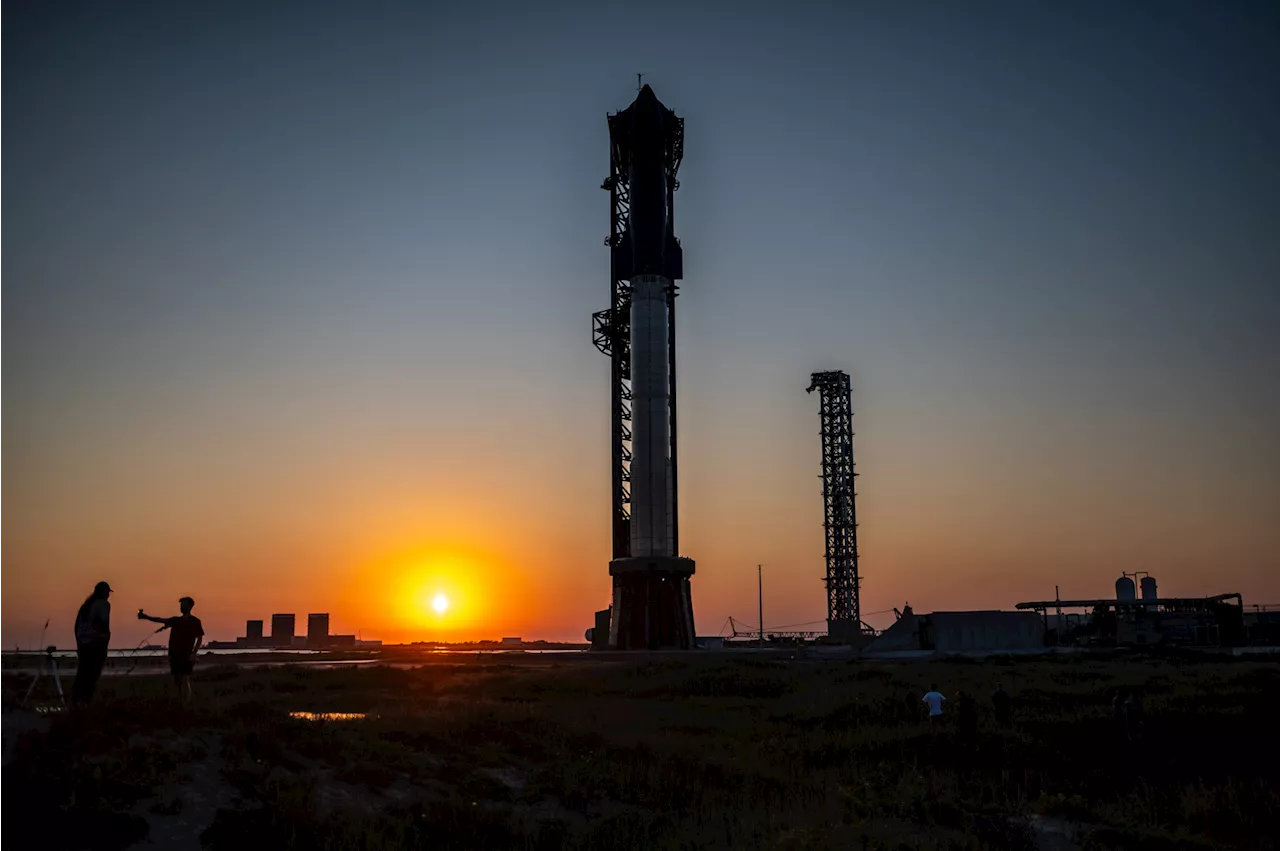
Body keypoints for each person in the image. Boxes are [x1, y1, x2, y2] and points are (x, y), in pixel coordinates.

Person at [138, 597, 205, 702]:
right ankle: (179, 701)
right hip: (174, 654)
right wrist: (145, 617)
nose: (182, 606)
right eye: (181, 605)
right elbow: (160, 619)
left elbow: (200, 638)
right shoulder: (175, 620)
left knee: (185, 678)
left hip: (187, 654)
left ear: (190, 606)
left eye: (184, 604)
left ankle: (186, 702)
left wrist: (193, 654)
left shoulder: (195, 621)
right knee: (176, 680)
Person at [72, 581, 112, 706]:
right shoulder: (103, 604)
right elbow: (104, 623)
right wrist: (105, 641)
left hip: (83, 644)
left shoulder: (86, 606)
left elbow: (76, 627)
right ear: (103, 592)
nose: (108, 595)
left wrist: (79, 644)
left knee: (82, 675)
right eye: (107, 592)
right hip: (96, 643)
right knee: (92, 676)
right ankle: (85, 703)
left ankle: (75, 702)